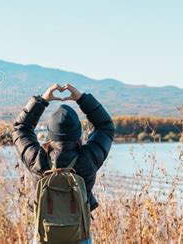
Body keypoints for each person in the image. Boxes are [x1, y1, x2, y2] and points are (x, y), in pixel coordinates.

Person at [12, 83, 115, 243]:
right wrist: (82, 99)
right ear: (78, 133)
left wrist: (42, 100)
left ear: (50, 133)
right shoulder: (88, 159)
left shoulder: (37, 160)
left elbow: (20, 128)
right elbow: (106, 126)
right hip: (79, 235)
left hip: (45, 235)